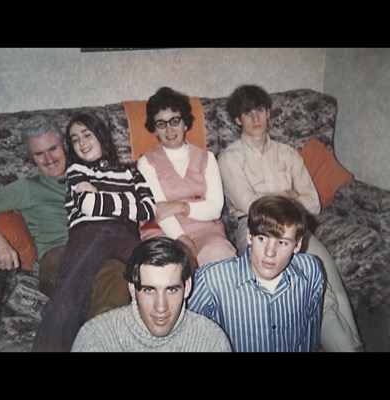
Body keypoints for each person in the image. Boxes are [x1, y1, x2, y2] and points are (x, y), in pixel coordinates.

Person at [217, 84, 363, 352]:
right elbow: (252, 207)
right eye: (248, 113)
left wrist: (269, 196)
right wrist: (287, 193)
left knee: (330, 279)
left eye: (260, 110)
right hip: (255, 232)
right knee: (316, 290)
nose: (256, 118)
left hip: (295, 229)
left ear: (269, 113)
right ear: (238, 119)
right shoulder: (229, 158)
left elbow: (313, 204)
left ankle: (354, 346)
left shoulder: (288, 154)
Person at [31, 112, 156, 352]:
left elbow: (149, 210)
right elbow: (87, 205)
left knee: (156, 269)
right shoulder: (77, 171)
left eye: (87, 135)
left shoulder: (131, 172)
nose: (82, 143)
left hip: (126, 234)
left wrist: (100, 197)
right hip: (88, 233)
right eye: (75, 139)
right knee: (70, 291)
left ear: (101, 135)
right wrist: (127, 202)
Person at [187, 195, 324, 352]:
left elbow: (311, 336)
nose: (270, 253)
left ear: (297, 245)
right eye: (262, 239)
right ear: (249, 236)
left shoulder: (310, 271)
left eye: (282, 242)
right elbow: (182, 334)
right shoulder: (212, 281)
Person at [72, 237, 233, 352]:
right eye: (149, 290)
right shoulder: (95, 338)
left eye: (171, 290)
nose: (161, 307)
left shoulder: (211, 342)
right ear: (132, 289)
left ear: (187, 287)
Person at [137, 87, 237, 269]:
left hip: (206, 230)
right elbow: (160, 212)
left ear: (185, 123)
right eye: (161, 124)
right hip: (164, 232)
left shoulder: (207, 158)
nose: (169, 129)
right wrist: (185, 243)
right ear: (154, 130)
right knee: (168, 265)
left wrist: (179, 206)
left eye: (175, 121)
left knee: (219, 253)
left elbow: (215, 208)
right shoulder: (146, 163)